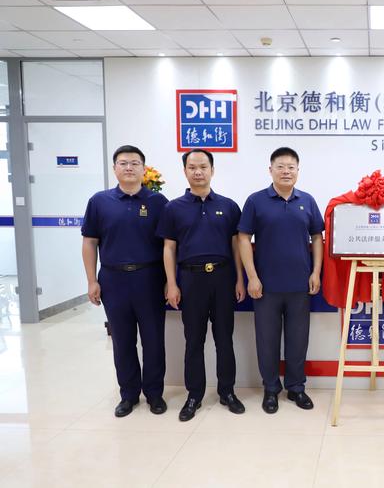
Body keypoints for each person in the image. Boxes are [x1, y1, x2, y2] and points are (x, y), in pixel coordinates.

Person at [157, 148, 246, 422]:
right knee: (193, 340)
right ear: (185, 171)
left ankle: (227, 391)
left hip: (223, 278)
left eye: (203, 167)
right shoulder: (173, 208)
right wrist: (172, 283)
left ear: (212, 170)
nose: (198, 172)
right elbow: (169, 248)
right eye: (192, 167)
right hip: (191, 280)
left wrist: (240, 278)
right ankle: (194, 395)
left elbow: (236, 245)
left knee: (224, 339)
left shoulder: (229, 206)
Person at [82, 145, 168, 417]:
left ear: (144, 168)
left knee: (154, 340)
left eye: (134, 163)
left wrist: (170, 280)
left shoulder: (158, 202)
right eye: (123, 163)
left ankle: (154, 393)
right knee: (122, 340)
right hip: (113, 279)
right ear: (114, 168)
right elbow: (90, 242)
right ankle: (129, 394)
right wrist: (91, 281)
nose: (129, 167)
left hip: (150, 278)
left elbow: (169, 245)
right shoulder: (99, 201)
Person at [238, 147, 323, 414]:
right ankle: (271, 389)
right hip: (266, 287)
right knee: (267, 341)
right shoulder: (256, 201)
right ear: (271, 170)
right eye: (280, 167)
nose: (286, 171)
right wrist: (252, 277)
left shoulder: (307, 201)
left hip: (300, 285)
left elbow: (317, 237)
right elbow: (243, 238)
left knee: (298, 340)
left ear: (298, 170)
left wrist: (316, 272)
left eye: (291, 167)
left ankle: (296, 388)